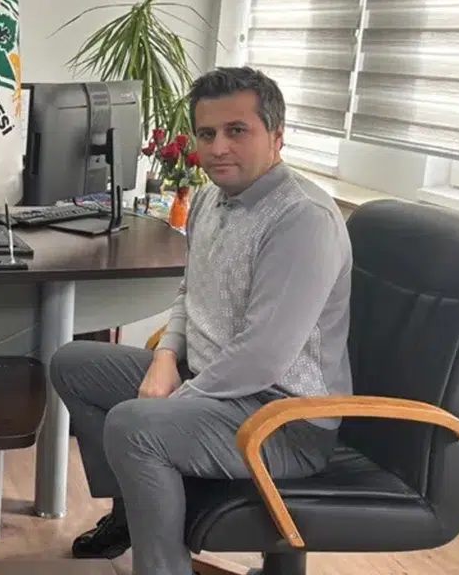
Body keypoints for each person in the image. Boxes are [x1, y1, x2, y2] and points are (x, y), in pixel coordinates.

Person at [48, 66, 352, 575]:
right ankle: (133, 512)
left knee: (134, 425)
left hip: (281, 417)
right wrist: (166, 356)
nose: (218, 148)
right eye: (207, 134)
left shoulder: (302, 220)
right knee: (73, 363)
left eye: (237, 131)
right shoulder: (210, 198)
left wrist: (176, 399)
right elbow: (190, 293)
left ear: (276, 136)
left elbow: (261, 359)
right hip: (216, 386)